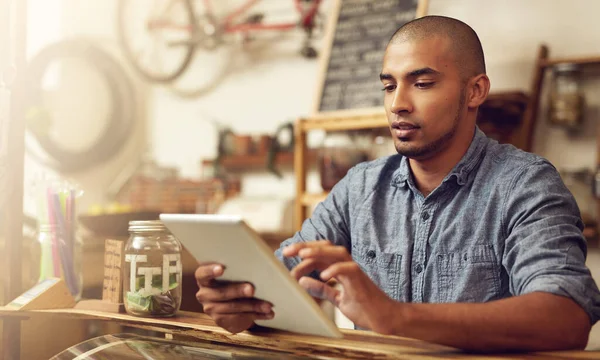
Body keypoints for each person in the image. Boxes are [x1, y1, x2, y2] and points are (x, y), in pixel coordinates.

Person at [194, 15, 600, 352]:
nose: (397, 104)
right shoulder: (361, 187)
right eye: (389, 85)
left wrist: (394, 316)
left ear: (475, 91)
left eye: (422, 84)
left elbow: (566, 316)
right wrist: (240, 301)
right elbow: (286, 278)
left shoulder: (526, 184)